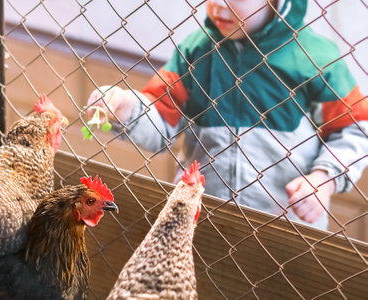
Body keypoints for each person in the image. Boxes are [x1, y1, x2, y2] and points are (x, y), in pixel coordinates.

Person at [87, 0, 367, 230]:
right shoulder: (196, 50)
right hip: (200, 220)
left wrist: (324, 179)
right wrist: (128, 108)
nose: (218, 5)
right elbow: (162, 120)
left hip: (287, 226)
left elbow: (355, 127)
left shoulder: (315, 57)